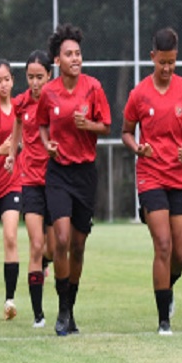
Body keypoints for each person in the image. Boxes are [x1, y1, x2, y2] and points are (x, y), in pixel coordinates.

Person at [122, 28, 182, 334]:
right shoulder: (139, 94)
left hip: (181, 177)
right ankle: (163, 321)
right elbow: (126, 131)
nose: (167, 69)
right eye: (162, 63)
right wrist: (137, 147)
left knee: (181, 254)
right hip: (151, 176)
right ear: (152, 57)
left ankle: (166, 290)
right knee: (164, 244)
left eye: (172, 63)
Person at [37, 23, 111, 336]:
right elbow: (41, 126)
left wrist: (88, 125)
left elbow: (106, 126)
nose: (75, 58)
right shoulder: (49, 92)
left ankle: (71, 309)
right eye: (68, 54)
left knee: (79, 246)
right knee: (62, 240)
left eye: (78, 53)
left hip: (84, 174)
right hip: (58, 173)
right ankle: (62, 309)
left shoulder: (93, 88)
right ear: (57, 61)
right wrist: (46, 145)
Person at [10, 50, 54, 327]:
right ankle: (38, 314)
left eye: (40, 77)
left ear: (49, 76)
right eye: (30, 77)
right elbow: (15, 134)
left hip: (57, 181)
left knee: (55, 246)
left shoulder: (56, 101)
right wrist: (10, 154)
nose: (35, 83)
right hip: (30, 182)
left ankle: (47, 262)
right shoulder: (21, 104)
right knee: (36, 245)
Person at [0, 59, 23, 321]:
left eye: (7, 79)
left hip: (12, 182)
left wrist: (13, 148)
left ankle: (9, 300)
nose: (3, 85)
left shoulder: (19, 109)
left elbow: (21, 143)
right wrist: (2, 149)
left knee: (11, 237)